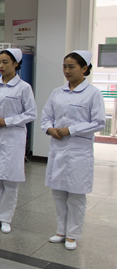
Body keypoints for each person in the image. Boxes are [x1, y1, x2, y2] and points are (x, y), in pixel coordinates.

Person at [41, 50, 105, 250]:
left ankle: (73, 235)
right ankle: (61, 231)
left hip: (79, 151)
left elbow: (99, 122)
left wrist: (72, 130)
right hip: (58, 149)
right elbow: (46, 116)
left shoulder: (93, 93)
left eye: (71, 67)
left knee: (76, 194)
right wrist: (49, 129)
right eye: (64, 67)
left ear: (84, 68)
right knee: (59, 192)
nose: (67, 71)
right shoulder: (57, 92)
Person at [0, 49, 37, 233]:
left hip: (13, 137)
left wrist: (8, 121)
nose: (1, 66)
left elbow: (31, 113)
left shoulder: (24, 88)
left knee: (10, 180)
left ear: (16, 64)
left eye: (5, 62)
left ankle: (6, 218)